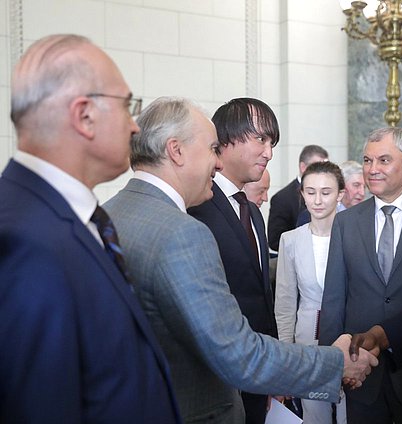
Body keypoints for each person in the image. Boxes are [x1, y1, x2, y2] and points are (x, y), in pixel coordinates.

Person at [104, 97, 378, 424]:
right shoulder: (183, 231)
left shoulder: (108, 214)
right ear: (176, 151)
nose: (217, 163)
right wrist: (335, 364)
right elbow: (236, 352)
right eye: (211, 149)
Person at [0, 34, 181, 422]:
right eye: (127, 105)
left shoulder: (61, 217)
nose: (135, 125)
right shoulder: (26, 243)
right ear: (83, 115)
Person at [319, 127, 402, 424]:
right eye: (368, 161)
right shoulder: (346, 222)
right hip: (361, 372)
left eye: (383, 160)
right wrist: (333, 365)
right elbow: (334, 297)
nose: (372, 169)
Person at [187, 98, 279, 423]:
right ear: (226, 140)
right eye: (261, 139)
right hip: (217, 378)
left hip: (257, 373)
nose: (269, 153)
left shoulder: (253, 211)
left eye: (272, 143)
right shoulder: (196, 206)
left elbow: (260, 295)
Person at [275, 161, 347, 423]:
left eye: (326, 192)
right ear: (302, 193)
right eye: (310, 191)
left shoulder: (353, 235)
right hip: (306, 339)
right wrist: (285, 356)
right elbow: (284, 304)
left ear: (340, 194)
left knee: (349, 412)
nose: (317, 200)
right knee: (314, 415)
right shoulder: (290, 240)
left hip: (348, 337)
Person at [268, 145, 329, 251]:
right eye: (317, 168)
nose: (323, 173)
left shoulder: (330, 194)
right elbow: (275, 240)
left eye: (326, 168)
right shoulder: (282, 198)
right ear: (303, 167)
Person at [296, 159, 365, 227]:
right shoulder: (305, 219)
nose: (362, 193)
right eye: (356, 185)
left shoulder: (366, 218)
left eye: (364, 187)